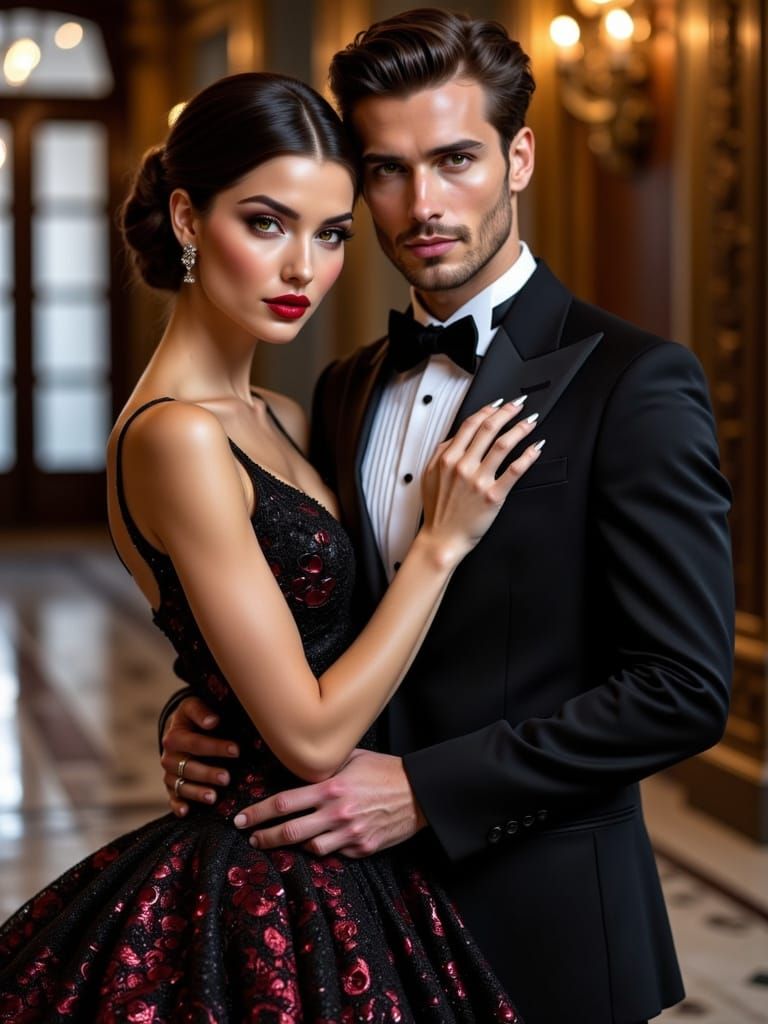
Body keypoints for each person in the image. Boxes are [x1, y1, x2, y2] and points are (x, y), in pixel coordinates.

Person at [159, 10, 736, 1024]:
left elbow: (682, 688)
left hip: (547, 928)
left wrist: (428, 788)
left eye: (456, 159)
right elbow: (313, 621)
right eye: (387, 170)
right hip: (354, 928)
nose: (423, 203)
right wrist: (201, 713)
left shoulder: (636, 383)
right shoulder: (339, 389)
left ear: (517, 158)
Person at [0, 71, 549, 1023]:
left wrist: (200, 700)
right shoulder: (175, 435)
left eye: (331, 233)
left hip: (358, 850)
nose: (303, 267)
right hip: (266, 864)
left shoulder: (284, 413)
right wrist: (439, 546)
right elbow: (307, 733)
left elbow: (294, 635)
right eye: (266, 223)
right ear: (185, 216)